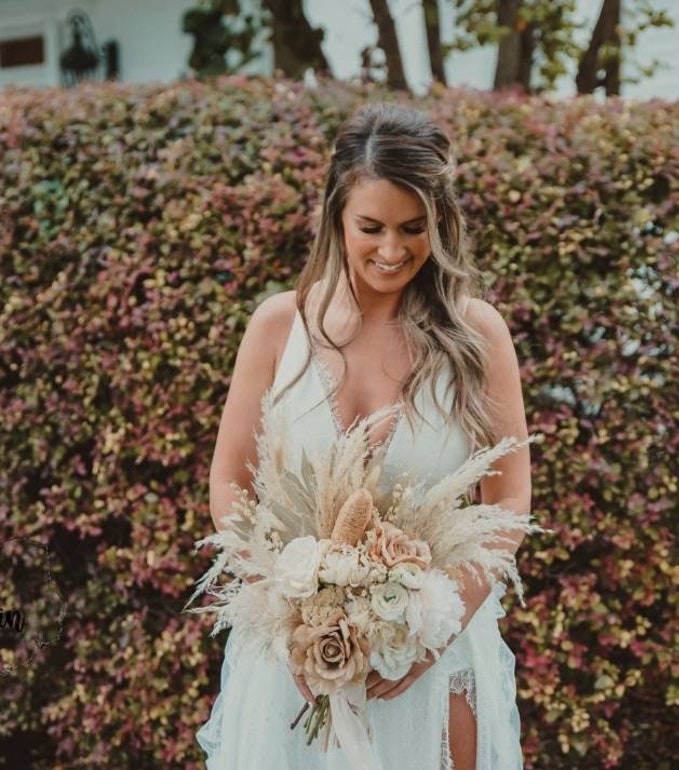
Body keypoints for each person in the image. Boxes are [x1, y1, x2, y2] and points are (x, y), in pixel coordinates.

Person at [198, 102, 532, 770]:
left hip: (434, 658)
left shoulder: (477, 336)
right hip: (291, 667)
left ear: (440, 223)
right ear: (336, 218)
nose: (391, 250)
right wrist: (288, 615)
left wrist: (434, 634)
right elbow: (229, 482)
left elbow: (509, 503)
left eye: (413, 228)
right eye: (370, 226)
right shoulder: (276, 328)